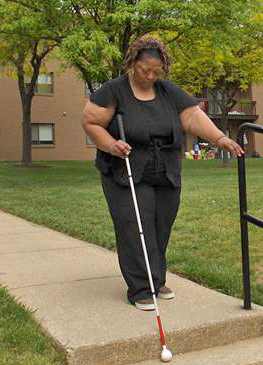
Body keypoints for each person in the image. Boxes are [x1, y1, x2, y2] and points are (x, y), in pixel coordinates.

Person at [82, 36, 244, 311]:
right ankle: (141, 288)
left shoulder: (168, 91)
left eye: (156, 71)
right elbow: (91, 121)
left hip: (166, 171)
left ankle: (156, 280)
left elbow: (193, 117)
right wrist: (111, 144)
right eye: (145, 69)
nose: (150, 75)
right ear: (132, 63)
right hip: (127, 170)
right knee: (136, 227)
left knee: (160, 227)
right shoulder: (113, 91)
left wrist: (220, 139)